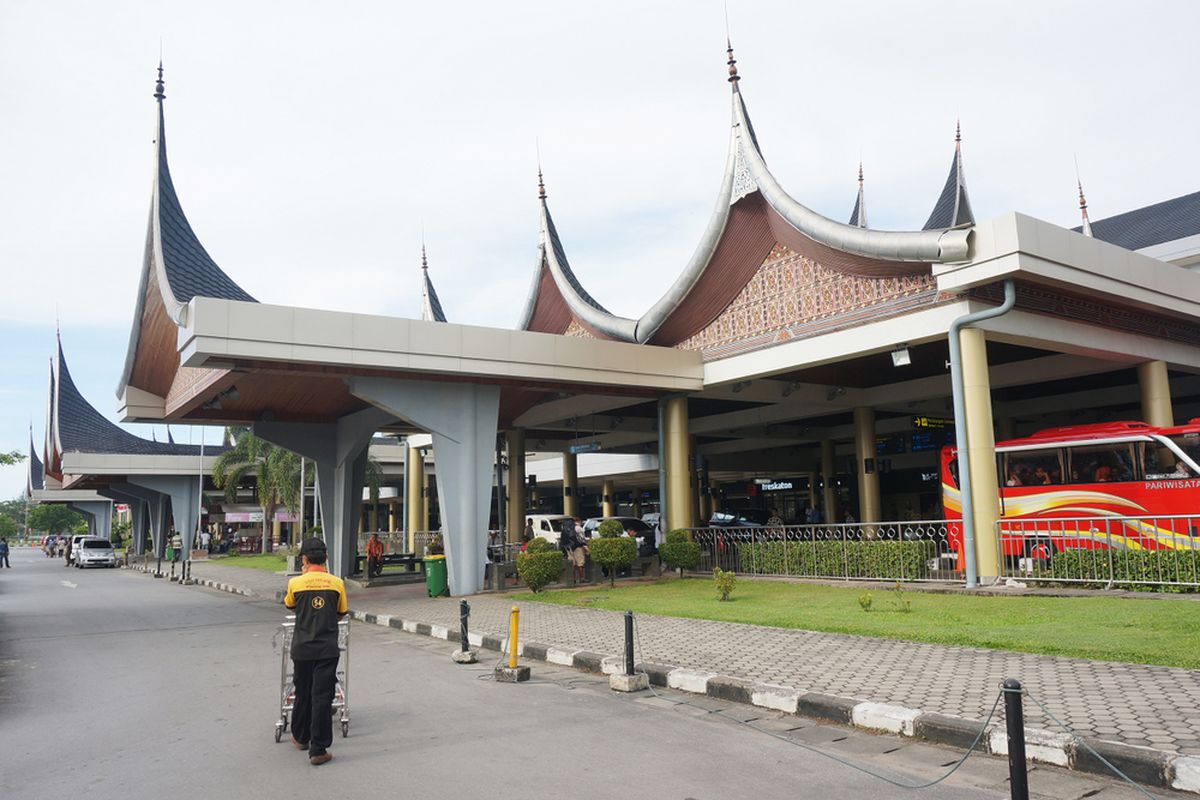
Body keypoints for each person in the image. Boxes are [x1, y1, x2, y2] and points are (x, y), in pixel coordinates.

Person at [283, 538, 348, 766]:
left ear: (305, 559)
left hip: (302, 648)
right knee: (322, 696)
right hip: (327, 648)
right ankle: (318, 750)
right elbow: (341, 612)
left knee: (302, 690)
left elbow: (290, 606)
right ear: (326, 558)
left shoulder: (296, 584)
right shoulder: (337, 583)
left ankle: (300, 737)